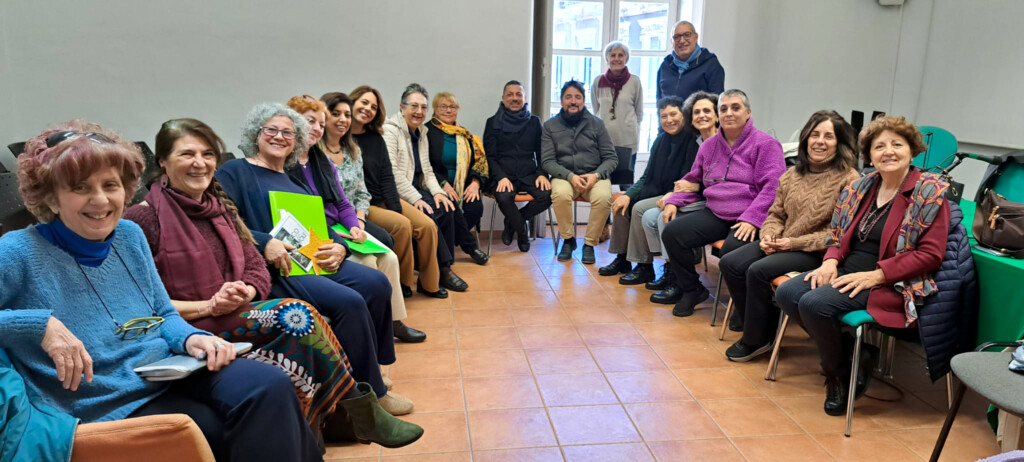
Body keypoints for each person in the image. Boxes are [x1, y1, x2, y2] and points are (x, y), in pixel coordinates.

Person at [2, 122, 322, 461]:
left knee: (268, 384)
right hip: (105, 396)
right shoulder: (17, 251)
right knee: (218, 429)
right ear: (51, 197)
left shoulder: (129, 235)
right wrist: (40, 325)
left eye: (110, 185)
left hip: (167, 369)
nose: (100, 200)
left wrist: (190, 338)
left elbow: (162, 312)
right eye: (80, 187)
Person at [124, 118, 423, 447]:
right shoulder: (142, 218)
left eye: (207, 154)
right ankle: (360, 411)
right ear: (163, 162)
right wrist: (208, 305)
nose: (200, 163)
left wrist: (246, 290)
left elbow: (255, 267)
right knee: (298, 315)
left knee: (326, 309)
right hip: (190, 325)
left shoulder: (218, 208)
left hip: (237, 308)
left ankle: (332, 424)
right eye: (186, 154)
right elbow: (139, 304)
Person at [215, 103, 416, 417]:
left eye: (288, 133)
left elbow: (319, 227)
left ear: (296, 141)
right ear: (256, 134)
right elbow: (222, 222)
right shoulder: (235, 171)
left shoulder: (292, 180)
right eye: (272, 130)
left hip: (310, 260)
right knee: (350, 302)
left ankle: (374, 371)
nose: (279, 137)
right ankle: (369, 399)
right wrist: (266, 242)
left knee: (377, 283)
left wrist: (340, 248)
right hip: (276, 270)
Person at [775, 115, 950, 416]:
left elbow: (930, 255)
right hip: (847, 270)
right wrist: (830, 260)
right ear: (869, 155)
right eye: (879, 146)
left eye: (897, 144)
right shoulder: (861, 187)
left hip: (892, 282)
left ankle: (837, 375)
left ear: (912, 150)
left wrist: (878, 275)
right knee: (787, 293)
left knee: (815, 304)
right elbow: (837, 234)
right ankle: (852, 355)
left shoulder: (929, 194)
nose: (888, 152)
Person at [719, 111, 861, 362]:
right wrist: (769, 236)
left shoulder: (850, 179)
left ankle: (757, 339)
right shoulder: (792, 174)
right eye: (814, 135)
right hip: (783, 243)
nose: (820, 141)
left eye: (829, 136)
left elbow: (839, 232)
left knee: (758, 270)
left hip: (816, 251)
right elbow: (776, 214)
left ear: (840, 143)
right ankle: (759, 322)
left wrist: (792, 243)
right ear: (805, 138)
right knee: (730, 262)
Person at [283, 96, 425, 344]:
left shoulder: (322, 162)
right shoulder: (285, 164)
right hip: (317, 234)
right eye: (310, 122)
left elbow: (343, 203)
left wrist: (355, 226)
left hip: (340, 227)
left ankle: (393, 322)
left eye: (320, 123)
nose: (316, 128)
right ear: (292, 123)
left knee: (389, 258)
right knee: (368, 262)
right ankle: (369, 328)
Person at [657, 89, 785, 316]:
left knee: (731, 252)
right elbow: (693, 179)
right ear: (718, 115)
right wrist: (674, 201)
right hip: (716, 213)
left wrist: (752, 219)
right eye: (723, 109)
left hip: (748, 216)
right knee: (672, 233)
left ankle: (743, 309)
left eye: (735, 108)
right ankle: (692, 290)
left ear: (748, 112)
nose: (729, 113)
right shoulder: (708, 146)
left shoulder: (766, 144)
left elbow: (773, 188)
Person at [348, 85, 448, 298]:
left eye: (373, 107)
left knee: (428, 225)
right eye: (364, 103)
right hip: (364, 204)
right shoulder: (342, 137)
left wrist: (395, 205)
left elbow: (387, 175)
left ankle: (429, 283)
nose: (368, 109)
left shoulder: (376, 137)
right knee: (402, 225)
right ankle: (403, 282)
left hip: (385, 197)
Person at [599, 95, 700, 285]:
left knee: (638, 208)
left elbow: (688, 181)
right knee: (621, 205)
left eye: (673, 114)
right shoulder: (660, 141)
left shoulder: (692, 142)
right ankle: (622, 259)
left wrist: (671, 196)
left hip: (676, 194)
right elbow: (646, 177)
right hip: (655, 191)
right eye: (663, 116)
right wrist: (628, 195)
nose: (669, 120)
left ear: (683, 115)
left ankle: (644, 266)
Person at [383, 83, 468, 291]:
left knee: (446, 207)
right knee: (429, 214)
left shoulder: (422, 132)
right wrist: (417, 199)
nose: (419, 112)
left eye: (423, 107)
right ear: (402, 107)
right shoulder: (390, 131)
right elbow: (393, 174)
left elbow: (427, 170)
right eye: (414, 106)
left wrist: (438, 193)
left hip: (415, 189)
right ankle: (441, 271)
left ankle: (443, 268)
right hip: (396, 194)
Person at [642, 91, 720, 291]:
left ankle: (679, 279)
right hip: (697, 198)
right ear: (690, 118)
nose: (701, 116)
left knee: (665, 220)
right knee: (649, 217)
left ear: (717, 115)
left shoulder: (723, 142)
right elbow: (690, 179)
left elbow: (720, 183)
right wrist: (674, 197)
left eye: (706, 111)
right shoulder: (698, 142)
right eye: (696, 112)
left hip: (716, 205)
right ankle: (670, 269)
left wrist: (690, 190)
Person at [541, 80, 618, 264]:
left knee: (603, 198)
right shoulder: (550, 126)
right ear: (561, 101)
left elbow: (611, 158)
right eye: (568, 97)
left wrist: (596, 175)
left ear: (584, 101)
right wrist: (570, 176)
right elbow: (547, 161)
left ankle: (589, 244)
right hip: (564, 176)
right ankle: (568, 240)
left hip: (595, 176)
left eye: (578, 97)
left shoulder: (597, 124)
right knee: (559, 194)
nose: (573, 101)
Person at [484, 80, 552, 252]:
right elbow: (489, 156)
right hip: (503, 174)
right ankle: (522, 232)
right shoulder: (492, 122)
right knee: (504, 197)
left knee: (548, 195)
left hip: (529, 174)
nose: (514, 98)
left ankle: (512, 222)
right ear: (503, 98)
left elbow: (542, 153)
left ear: (524, 98)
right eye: (510, 94)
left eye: (518, 94)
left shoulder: (534, 122)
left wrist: (542, 173)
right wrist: (501, 177)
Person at [426, 91, 489, 265]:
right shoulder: (426, 132)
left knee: (475, 208)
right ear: (435, 109)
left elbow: (478, 162)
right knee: (451, 205)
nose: (448, 110)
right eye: (443, 107)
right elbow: (425, 166)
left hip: (463, 185)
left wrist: (475, 183)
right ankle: (470, 247)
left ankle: (450, 241)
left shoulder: (464, 135)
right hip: (436, 185)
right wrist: (444, 184)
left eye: (452, 107)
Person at [591, 40, 644, 174]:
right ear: (607, 58)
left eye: (620, 55)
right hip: (604, 140)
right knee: (603, 180)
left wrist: (630, 126)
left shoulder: (634, 81)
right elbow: (596, 110)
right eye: (613, 55)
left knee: (626, 181)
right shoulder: (598, 81)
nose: (616, 59)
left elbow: (639, 112)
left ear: (626, 58)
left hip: (628, 141)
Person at [656, 21, 725, 102]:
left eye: (687, 35)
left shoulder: (711, 65)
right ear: (672, 41)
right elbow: (659, 101)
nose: (682, 41)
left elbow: (717, 101)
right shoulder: (665, 66)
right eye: (676, 37)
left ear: (696, 37)